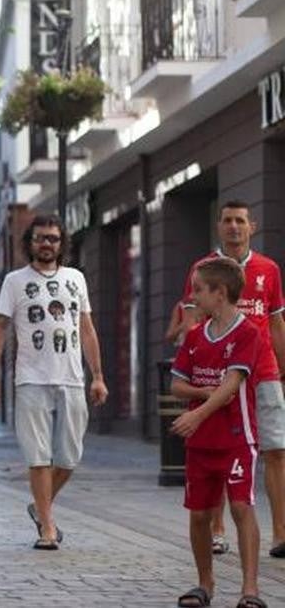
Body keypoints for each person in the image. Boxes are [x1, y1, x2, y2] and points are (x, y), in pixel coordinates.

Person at [0, 215, 108, 550]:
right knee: (38, 456)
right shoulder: (14, 281)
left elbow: (86, 329)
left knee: (69, 456)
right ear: (30, 242)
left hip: (71, 377)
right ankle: (47, 527)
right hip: (31, 379)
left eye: (53, 238)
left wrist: (97, 376)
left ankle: (40, 506)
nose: (47, 244)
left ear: (61, 243)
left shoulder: (75, 279)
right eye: (40, 238)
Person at [177, 200, 285, 559]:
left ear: (251, 226)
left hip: (265, 371)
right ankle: (218, 531)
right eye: (227, 221)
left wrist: (283, 371)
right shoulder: (203, 268)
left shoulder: (268, 269)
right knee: (220, 447)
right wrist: (194, 362)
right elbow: (192, 321)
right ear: (219, 226)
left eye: (240, 220)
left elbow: (276, 323)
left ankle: (280, 535)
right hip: (219, 373)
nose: (234, 226)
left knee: (276, 450)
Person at [170, 257, 270, 608]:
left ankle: (250, 590)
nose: (193, 296)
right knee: (199, 514)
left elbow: (232, 385)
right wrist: (200, 397)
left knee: (241, 507)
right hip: (200, 444)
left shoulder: (248, 333)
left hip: (236, 437)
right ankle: (205, 584)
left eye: (199, 290)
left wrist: (197, 413)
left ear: (220, 293)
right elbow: (177, 384)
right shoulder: (196, 336)